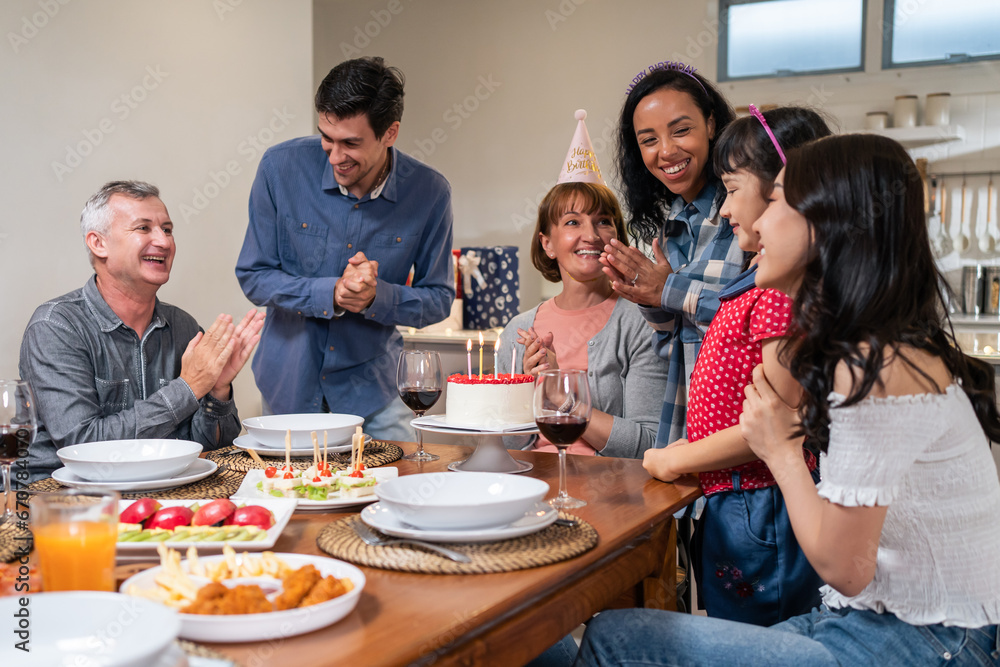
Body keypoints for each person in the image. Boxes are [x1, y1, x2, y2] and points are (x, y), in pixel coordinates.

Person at [573, 134, 1000, 665]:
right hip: (869, 618)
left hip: (930, 640)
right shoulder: (869, 346)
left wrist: (779, 449)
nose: (751, 222)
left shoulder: (877, 368)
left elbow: (846, 569)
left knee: (615, 638)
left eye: (774, 201)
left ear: (826, 225)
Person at [643, 106, 831, 625]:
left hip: (759, 503)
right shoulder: (758, 281)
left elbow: (773, 427)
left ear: (783, 193)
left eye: (732, 189)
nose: (724, 209)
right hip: (736, 498)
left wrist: (677, 460)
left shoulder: (777, 293)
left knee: (756, 643)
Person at [236, 57, 454, 442]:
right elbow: (254, 275)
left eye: (351, 143)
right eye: (327, 138)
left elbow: (437, 299)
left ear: (390, 133)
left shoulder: (430, 193)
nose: (335, 157)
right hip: (289, 388)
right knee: (293, 499)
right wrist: (330, 293)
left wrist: (377, 297)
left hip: (375, 396)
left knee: (390, 494)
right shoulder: (279, 168)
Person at [20, 181, 264, 482]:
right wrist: (188, 388)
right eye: (144, 228)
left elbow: (214, 449)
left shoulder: (184, 326)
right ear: (98, 243)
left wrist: (217, 390)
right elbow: (82, 447)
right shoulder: (56, 327)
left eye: (168, 229)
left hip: (165, 497)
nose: (163, 241)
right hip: (67, 502)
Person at [498, 111, 666, 458]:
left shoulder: (641, 323)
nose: (590, 235)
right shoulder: (519, 330)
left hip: (610, 498)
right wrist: (527, 389)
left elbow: (648, 446)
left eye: (603, 221)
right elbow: (509, 445)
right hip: (534, 489)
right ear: (547, 242)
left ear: (616, 235)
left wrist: (562, 396)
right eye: (573, 221)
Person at [600, 61, 744, 448]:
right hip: (685, 433)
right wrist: (651, 302)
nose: (666, 151)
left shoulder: (747, 215)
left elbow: (760, 322)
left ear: (712, 125)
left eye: (681, 131)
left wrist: (669, 291)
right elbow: (677, 348)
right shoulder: (672, 227)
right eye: (648, 140)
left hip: (739, 440)